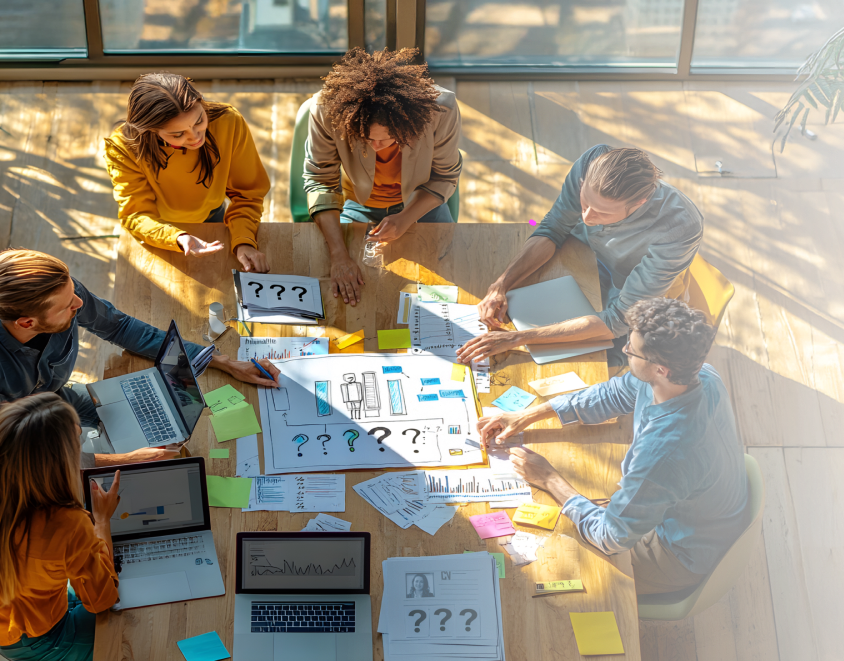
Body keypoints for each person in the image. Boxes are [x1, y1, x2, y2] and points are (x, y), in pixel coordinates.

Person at [475, 298, 746, 595]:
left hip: (678, 553)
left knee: (542, 564)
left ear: (660, 370)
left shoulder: (664, 454)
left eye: (631, 351)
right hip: (690, 512)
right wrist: (528, 414)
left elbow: (610, 537)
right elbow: (614, 393)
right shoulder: (702, 375)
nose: (626, 352)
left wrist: (550, 479)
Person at [0, 248, 280, 466]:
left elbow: (120, 327)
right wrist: (121, 460)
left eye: (73, 292)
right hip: (6, 436)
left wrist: (219, 360)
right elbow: (14, 445)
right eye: (69, 306)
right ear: (27, 323)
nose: (79, 304)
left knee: (160, 427)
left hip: (51, 396)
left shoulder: (56, 288)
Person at [459, 146, 703, 368]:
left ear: (640, 203)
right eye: (584, 202)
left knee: (575, 365)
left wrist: (518, 338)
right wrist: (501, 285)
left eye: (602, 213)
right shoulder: (590, 161)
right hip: (580, 257)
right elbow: (554, 227)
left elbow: (618, 319)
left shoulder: (678, 227)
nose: (586, 218)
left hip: (626, 293)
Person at [0, 393, 123, 661]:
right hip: (39, 639)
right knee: (129, 648)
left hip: (5, 609)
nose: (81, 443)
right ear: (55, 462)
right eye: (77, 442)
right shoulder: (67, 525)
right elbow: (102, 599)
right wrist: (101, 521)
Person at [304, 48, 462, 305]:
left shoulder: (441, 110)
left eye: (387, 139)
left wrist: (405, 217)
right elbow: (321, 180)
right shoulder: (325, 110)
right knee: (353, 290)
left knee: (446, 279)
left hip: (420, 204)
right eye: (365, 139)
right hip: (356, 202)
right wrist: (339, 256)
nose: (376, 147)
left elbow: (445, 177)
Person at [105, 72, 272, 273]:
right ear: (149, 130)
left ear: (201, 102)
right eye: (177, 134)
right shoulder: (122, 146)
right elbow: (136, 214)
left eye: (199, 120)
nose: (194, 137)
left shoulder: (229, 122)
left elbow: (248, 194)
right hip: (157, 227)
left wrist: (244, 241)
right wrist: (176, 237)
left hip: (212, 212)